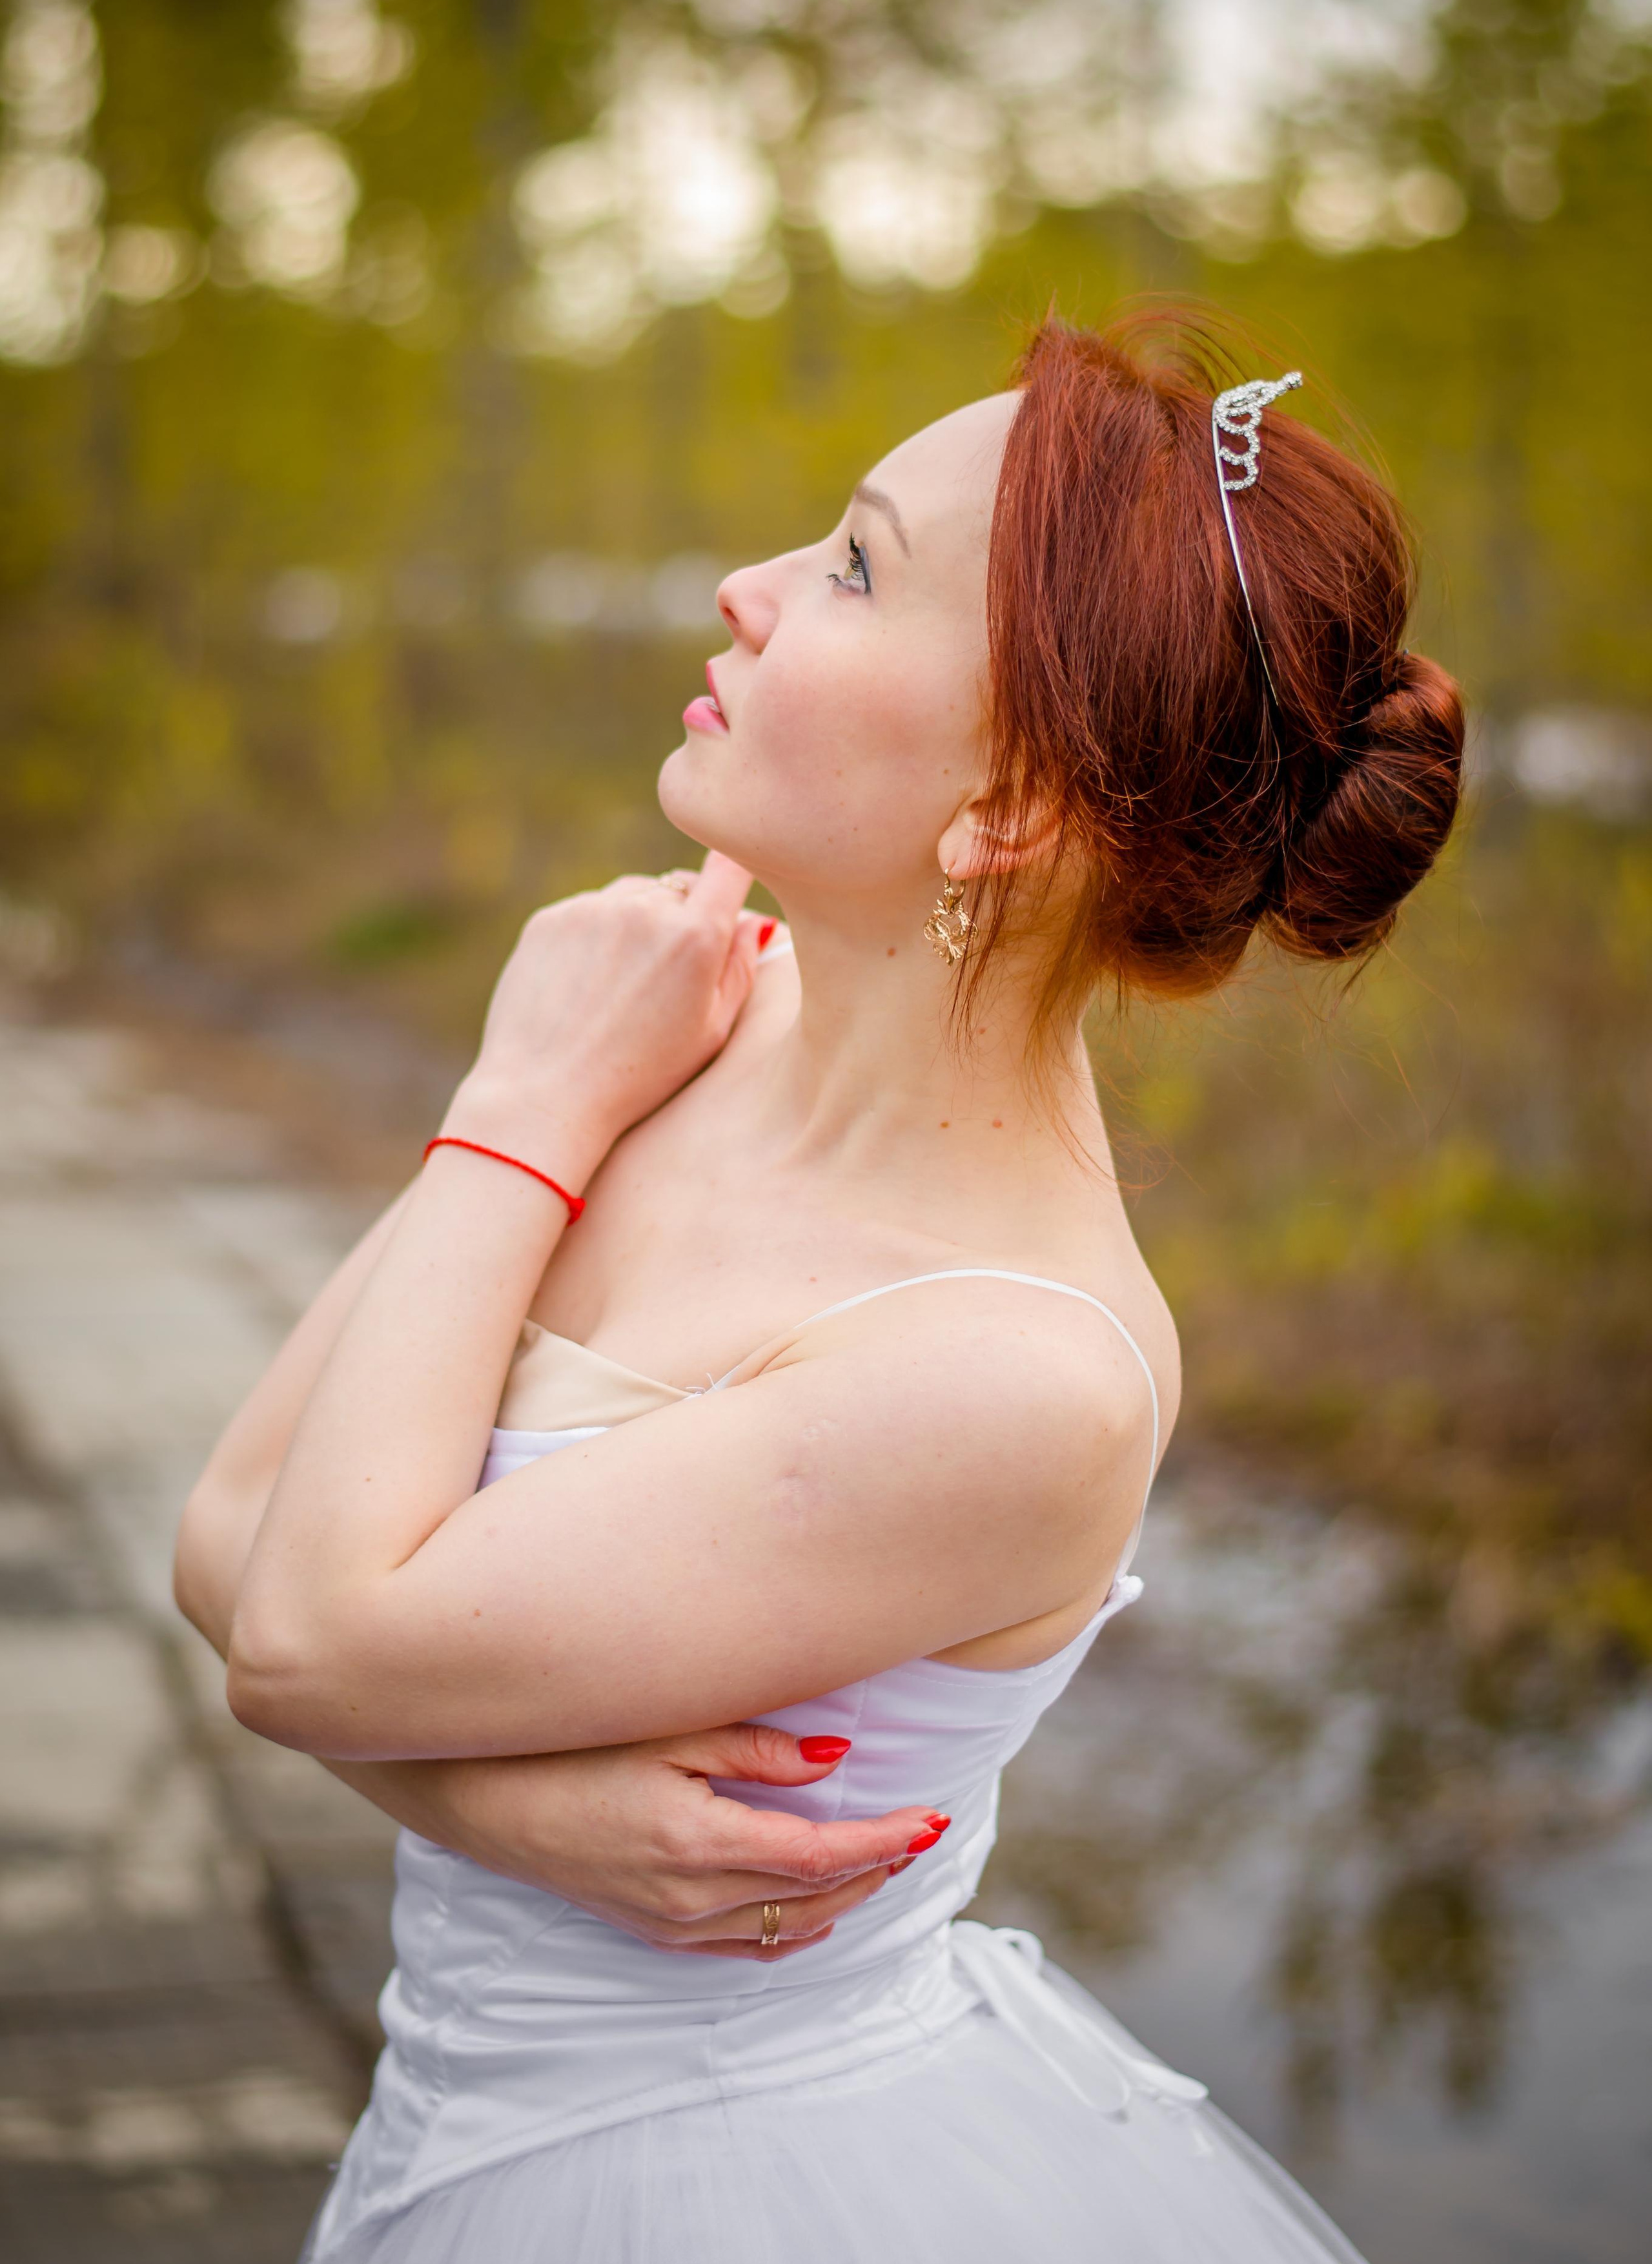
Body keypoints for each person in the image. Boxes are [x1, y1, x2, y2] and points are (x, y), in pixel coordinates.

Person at [174, 312, 1463, 2262]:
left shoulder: (1017, 1372)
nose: (747, 588)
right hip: (450, 2130)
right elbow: (225, 1536)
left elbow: (298, 1634)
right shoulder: (687, 1012)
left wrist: (515, 1106)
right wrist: (511, 1808)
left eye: (854, 567)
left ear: (1009, 811)